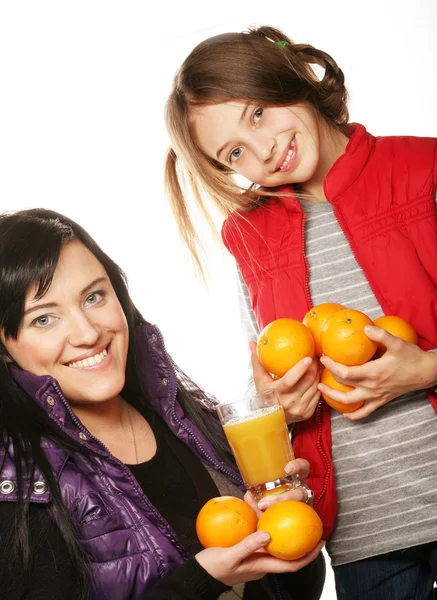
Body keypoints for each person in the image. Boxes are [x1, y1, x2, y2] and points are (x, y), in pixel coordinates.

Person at [164, 24, 437, 600]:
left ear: (288, 76)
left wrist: (425, 370)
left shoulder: (424, 169)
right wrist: (277, 403)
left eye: (258, 113)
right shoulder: (249, 237)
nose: (260, 151)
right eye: (233, 152)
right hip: (368, 534)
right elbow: (261, 383)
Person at [0, 208, 325, 600]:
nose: (87, 333)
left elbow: (291, 590)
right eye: (43, 319)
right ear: (5, 348)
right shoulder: (20, 483)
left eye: (93, 296)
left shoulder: (186, 419)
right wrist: (202, 580)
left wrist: (284, 521)